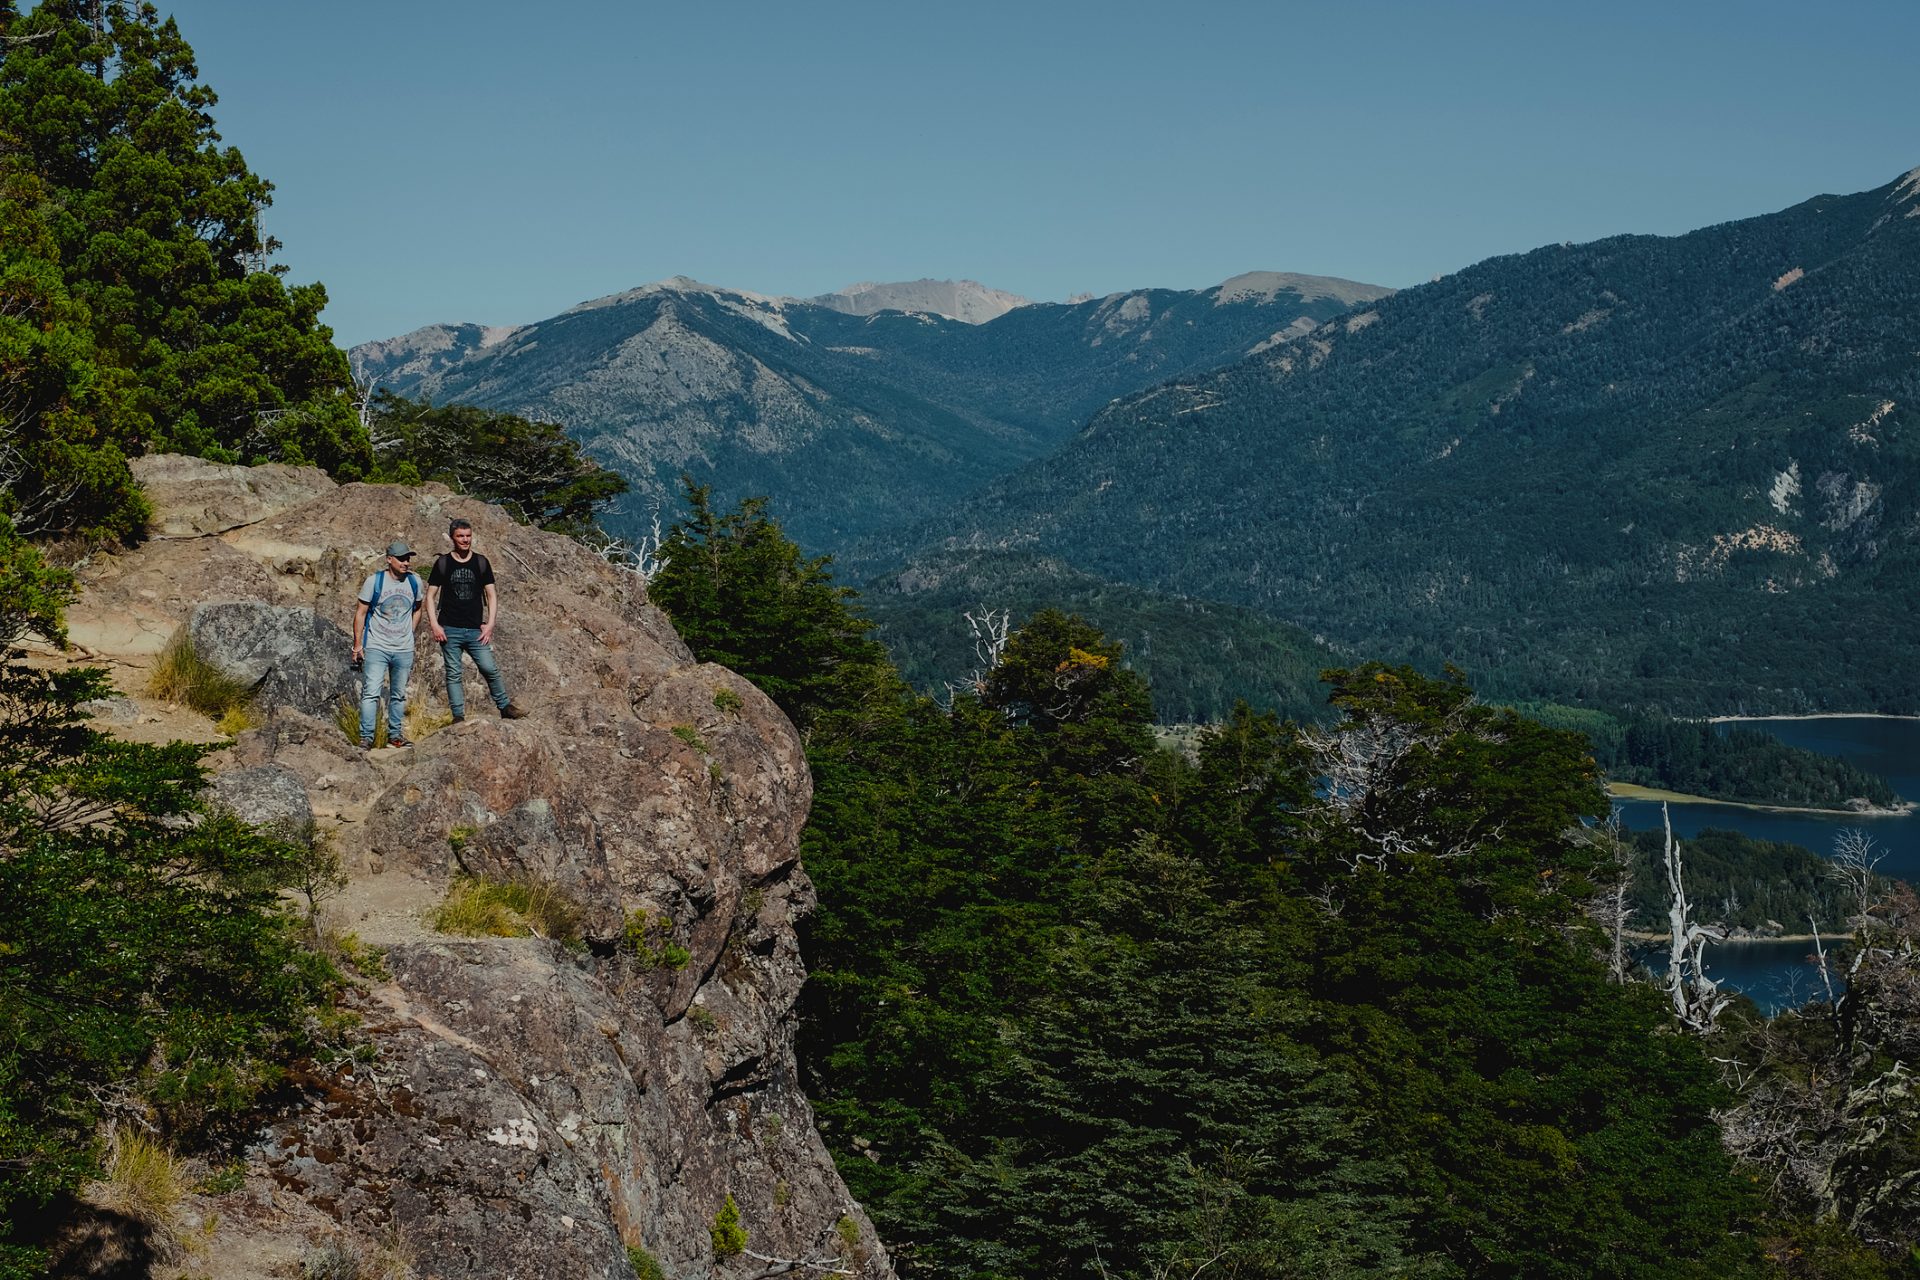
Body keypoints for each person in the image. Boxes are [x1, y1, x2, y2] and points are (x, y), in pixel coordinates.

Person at [426, 517, 528, 722]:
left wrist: (490, 624)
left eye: (468, 536)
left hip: (475, 629)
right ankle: (458, 716)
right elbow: (429, 596)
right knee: (454, 673)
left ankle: (505, 706)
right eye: (460, 536)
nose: (465, 540)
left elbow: (491, 595)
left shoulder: (481, 562)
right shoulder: (443, 563)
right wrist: (435, 625)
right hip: (449, 628)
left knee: (490, 668)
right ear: (453, 538)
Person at [351, 539, 424, 749]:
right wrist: (358, 645)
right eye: (401, 558)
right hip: (377, 646)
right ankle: (366, 737)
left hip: (403, 649)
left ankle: (395, 736)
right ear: (389, 559)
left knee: (398, 695)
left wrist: (410, 630)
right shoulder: (374, 582)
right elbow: (361, 613)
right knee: (371, 692)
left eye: (408, 558)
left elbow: (418, 607)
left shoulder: (415, 582)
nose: (406, 562)